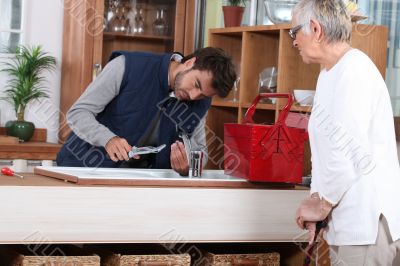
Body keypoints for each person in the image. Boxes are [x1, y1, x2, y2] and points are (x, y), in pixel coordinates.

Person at [292, 0, 400, 265]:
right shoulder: (329, 73)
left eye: (294, 32)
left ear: (315, 29)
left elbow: (348, 151)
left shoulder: (355, 71)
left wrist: (323, 204)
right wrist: (319, 203)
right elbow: (328, 152)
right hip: (347, 222)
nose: (293, 41)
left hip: (366, 224)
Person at [56, 47, 237, 175]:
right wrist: (108, 139)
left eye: (203, 95)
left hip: (138, 184)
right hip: (82, 169)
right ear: (190, 63)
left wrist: (189, 165)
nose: (193, 95)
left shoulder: (200, 102)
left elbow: (200, 151)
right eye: (196, 84)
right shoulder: (126, 66)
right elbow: (78, 113)